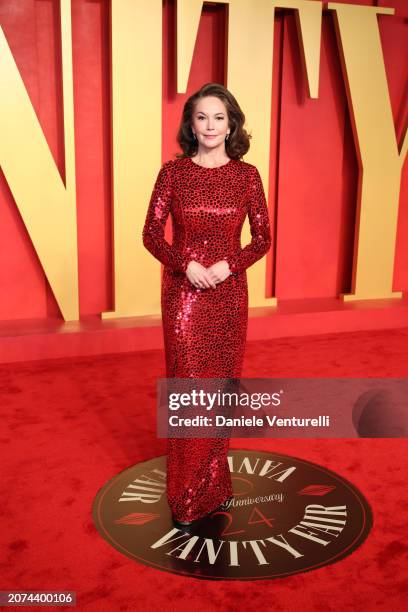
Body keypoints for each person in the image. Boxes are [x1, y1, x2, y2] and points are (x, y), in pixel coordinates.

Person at [142, 82, 272, 527]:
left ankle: (214, 482)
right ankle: (185, 494)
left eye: (219, 117)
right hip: (184, 297)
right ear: (191, 125)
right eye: (202, 117)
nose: (211, 125)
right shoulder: (173, 174)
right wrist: (186, 263)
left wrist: (229, 265)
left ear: (231, 123)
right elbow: (151, 235)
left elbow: (263, 238)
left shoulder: (247, 175)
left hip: (230, 294)